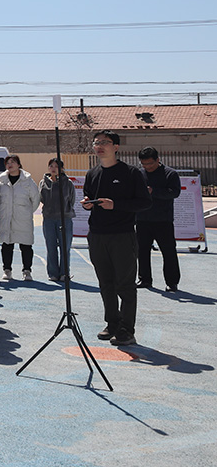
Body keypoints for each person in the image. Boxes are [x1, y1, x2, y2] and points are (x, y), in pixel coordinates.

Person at [82, 131, 151, 347]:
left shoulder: (131, 173)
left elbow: (145, 202)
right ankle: (112, 322)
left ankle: (126, 330)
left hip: (122, 236)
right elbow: (88, 196)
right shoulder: (92, 173)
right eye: (97, 142)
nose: (99, 146)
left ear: (116, 147)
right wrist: (88, 203)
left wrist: (116, 205)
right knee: (106, 284)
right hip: (97, 235)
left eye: (105, 142)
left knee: (125, 285)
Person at [135, 147, 182, 292]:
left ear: (158, 160)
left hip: (163, 220)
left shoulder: (170, 174)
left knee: (168, 252)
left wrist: (153, 191)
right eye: (144, 164)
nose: (147, 167)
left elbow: (174, 192)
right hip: (142, 219)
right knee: (142, 251)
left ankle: (172, 282)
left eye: (150, 164)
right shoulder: (139, 174)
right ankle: (144, 279)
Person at [0, 155, 41, 282]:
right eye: (7, 163)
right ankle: (7, 270)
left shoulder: (27, 181)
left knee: (26, 245)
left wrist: (26, 212)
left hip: (23, 219)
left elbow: (35, 198)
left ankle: (27, 271)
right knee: (7, 244)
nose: (10, 165)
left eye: (13, 162)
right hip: (6, 218)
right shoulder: (2, 181)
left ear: (19, 165)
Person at [39, 159, 76, 283]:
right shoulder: (43, 182)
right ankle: (53, 273)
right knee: (51, 246)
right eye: (51, 166)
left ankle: (65, 273)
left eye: (57, 166)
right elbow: (41, 199)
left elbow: (72, 199)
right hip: (49, 218)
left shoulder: (68, 183)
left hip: (64, 218)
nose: (53, 168)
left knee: (65, 247)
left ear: (61, 168)